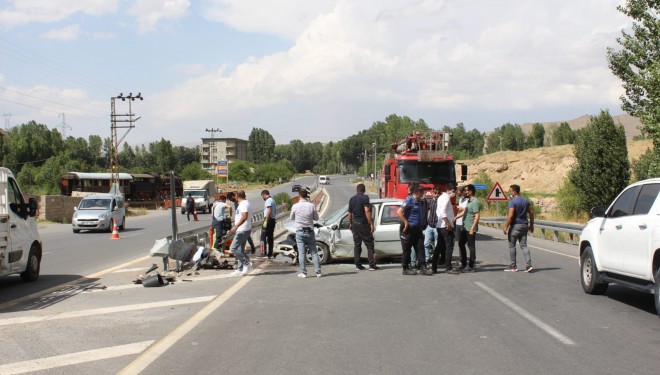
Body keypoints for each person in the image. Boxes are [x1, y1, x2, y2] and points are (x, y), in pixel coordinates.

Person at [398, 185, 432, 275]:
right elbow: (399, 212)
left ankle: (422, 267)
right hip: (408, 229)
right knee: (407, 249)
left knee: (420, 247)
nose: (423, 195)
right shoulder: (409, 200)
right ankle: (405, 268)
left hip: (417, 229)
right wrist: (406, 222)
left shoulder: (420, 201)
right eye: (422, 193)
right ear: (417, 193)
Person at [502, 184, 535, 273]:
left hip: (515, 226)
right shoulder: (525, 200)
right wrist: (531, 225)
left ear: (514, 191)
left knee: (512, 245)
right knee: (524, 245)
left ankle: (513, 266)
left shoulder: (512, 202)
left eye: (510, 191)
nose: (510, 193)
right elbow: (531, 213)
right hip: (524, 225)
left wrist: (506, 226)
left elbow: (511, 215)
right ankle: (529, 265)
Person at [290, 188, 322, 278]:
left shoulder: (295, 206)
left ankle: (303, 273)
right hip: (310, 231)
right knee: (314, 252)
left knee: (301, 253)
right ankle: (318, 272)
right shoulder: (311, 206)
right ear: (307, 196)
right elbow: (316, 218)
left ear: (299, 196)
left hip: (300, 232)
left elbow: (291, 217)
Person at [348, 183, 378, 271]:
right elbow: (367, 211)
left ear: (357, 190)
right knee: (369, 244)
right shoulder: (365, 198)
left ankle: (358, 265)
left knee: (357, 245)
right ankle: (371, 265)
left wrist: (350, 223)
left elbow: (349, 213)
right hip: (363, 224)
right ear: (364, 190)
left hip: (355, 225)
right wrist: (371, 223)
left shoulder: (352, 199)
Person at [433, 183, 460, 274]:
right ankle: (448, 267)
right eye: (453, 191)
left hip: (440, 225)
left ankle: (434, 267)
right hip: (446, 226)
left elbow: (438, 212)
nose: (453, 193)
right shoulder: (446, 198)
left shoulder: (440, 197)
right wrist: (448, 224)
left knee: (439, 247)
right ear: (448, 190)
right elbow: (442, 212)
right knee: (449, 247)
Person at [228, 190, 252, 276]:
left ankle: (246, 263)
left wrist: (236, 226)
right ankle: (240, 268)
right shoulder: (245, 203)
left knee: (233, 248)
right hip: (243, 229)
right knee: (240, 249)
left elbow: (244, 217)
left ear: (238, 197)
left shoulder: (243, 204)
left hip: (242, 229)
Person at [459, 184, 481, 272]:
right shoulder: (469, 201)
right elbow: (465, 211)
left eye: (466, 190)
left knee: (471, 246)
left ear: (471, 191)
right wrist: (456, 217)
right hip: (465, 227)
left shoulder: (475, 202)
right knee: (461, 243)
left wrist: (472, 228)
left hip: (470, 228)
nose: (465, 192)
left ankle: (471, 266)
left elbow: (477, 216)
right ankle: (464, 263)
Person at [423, 188, 440, 267]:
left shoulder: (441, 202)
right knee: (426, 243)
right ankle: (426, 260)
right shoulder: (430, 202)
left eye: (438, 193)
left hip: (437, 226)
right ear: (433, 193)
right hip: (429, 226)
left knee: (437, 245)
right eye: (435, 193)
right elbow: (426, 211)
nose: (437, 195)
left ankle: (435, 261)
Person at [454, 187, 470, 271]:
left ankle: (467, 262)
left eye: (458, 192)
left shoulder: (467, 200)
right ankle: (461, 260)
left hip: (463, 223)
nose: (457, 193)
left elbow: (468, 210)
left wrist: (460, 209)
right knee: (460, 243)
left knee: (466, 243)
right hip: (458, 223)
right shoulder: (460, 199)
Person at [260, 190, 277, 259]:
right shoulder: (273, 200)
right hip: (272, 220)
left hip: (268, 220)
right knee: (270, 237)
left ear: (264, 195)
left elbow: (269, 210)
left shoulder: (268, 201)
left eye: (262, 196)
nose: (262, 198)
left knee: (262, 237)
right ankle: (270, 253)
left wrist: (266, 221)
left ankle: (263, 253)